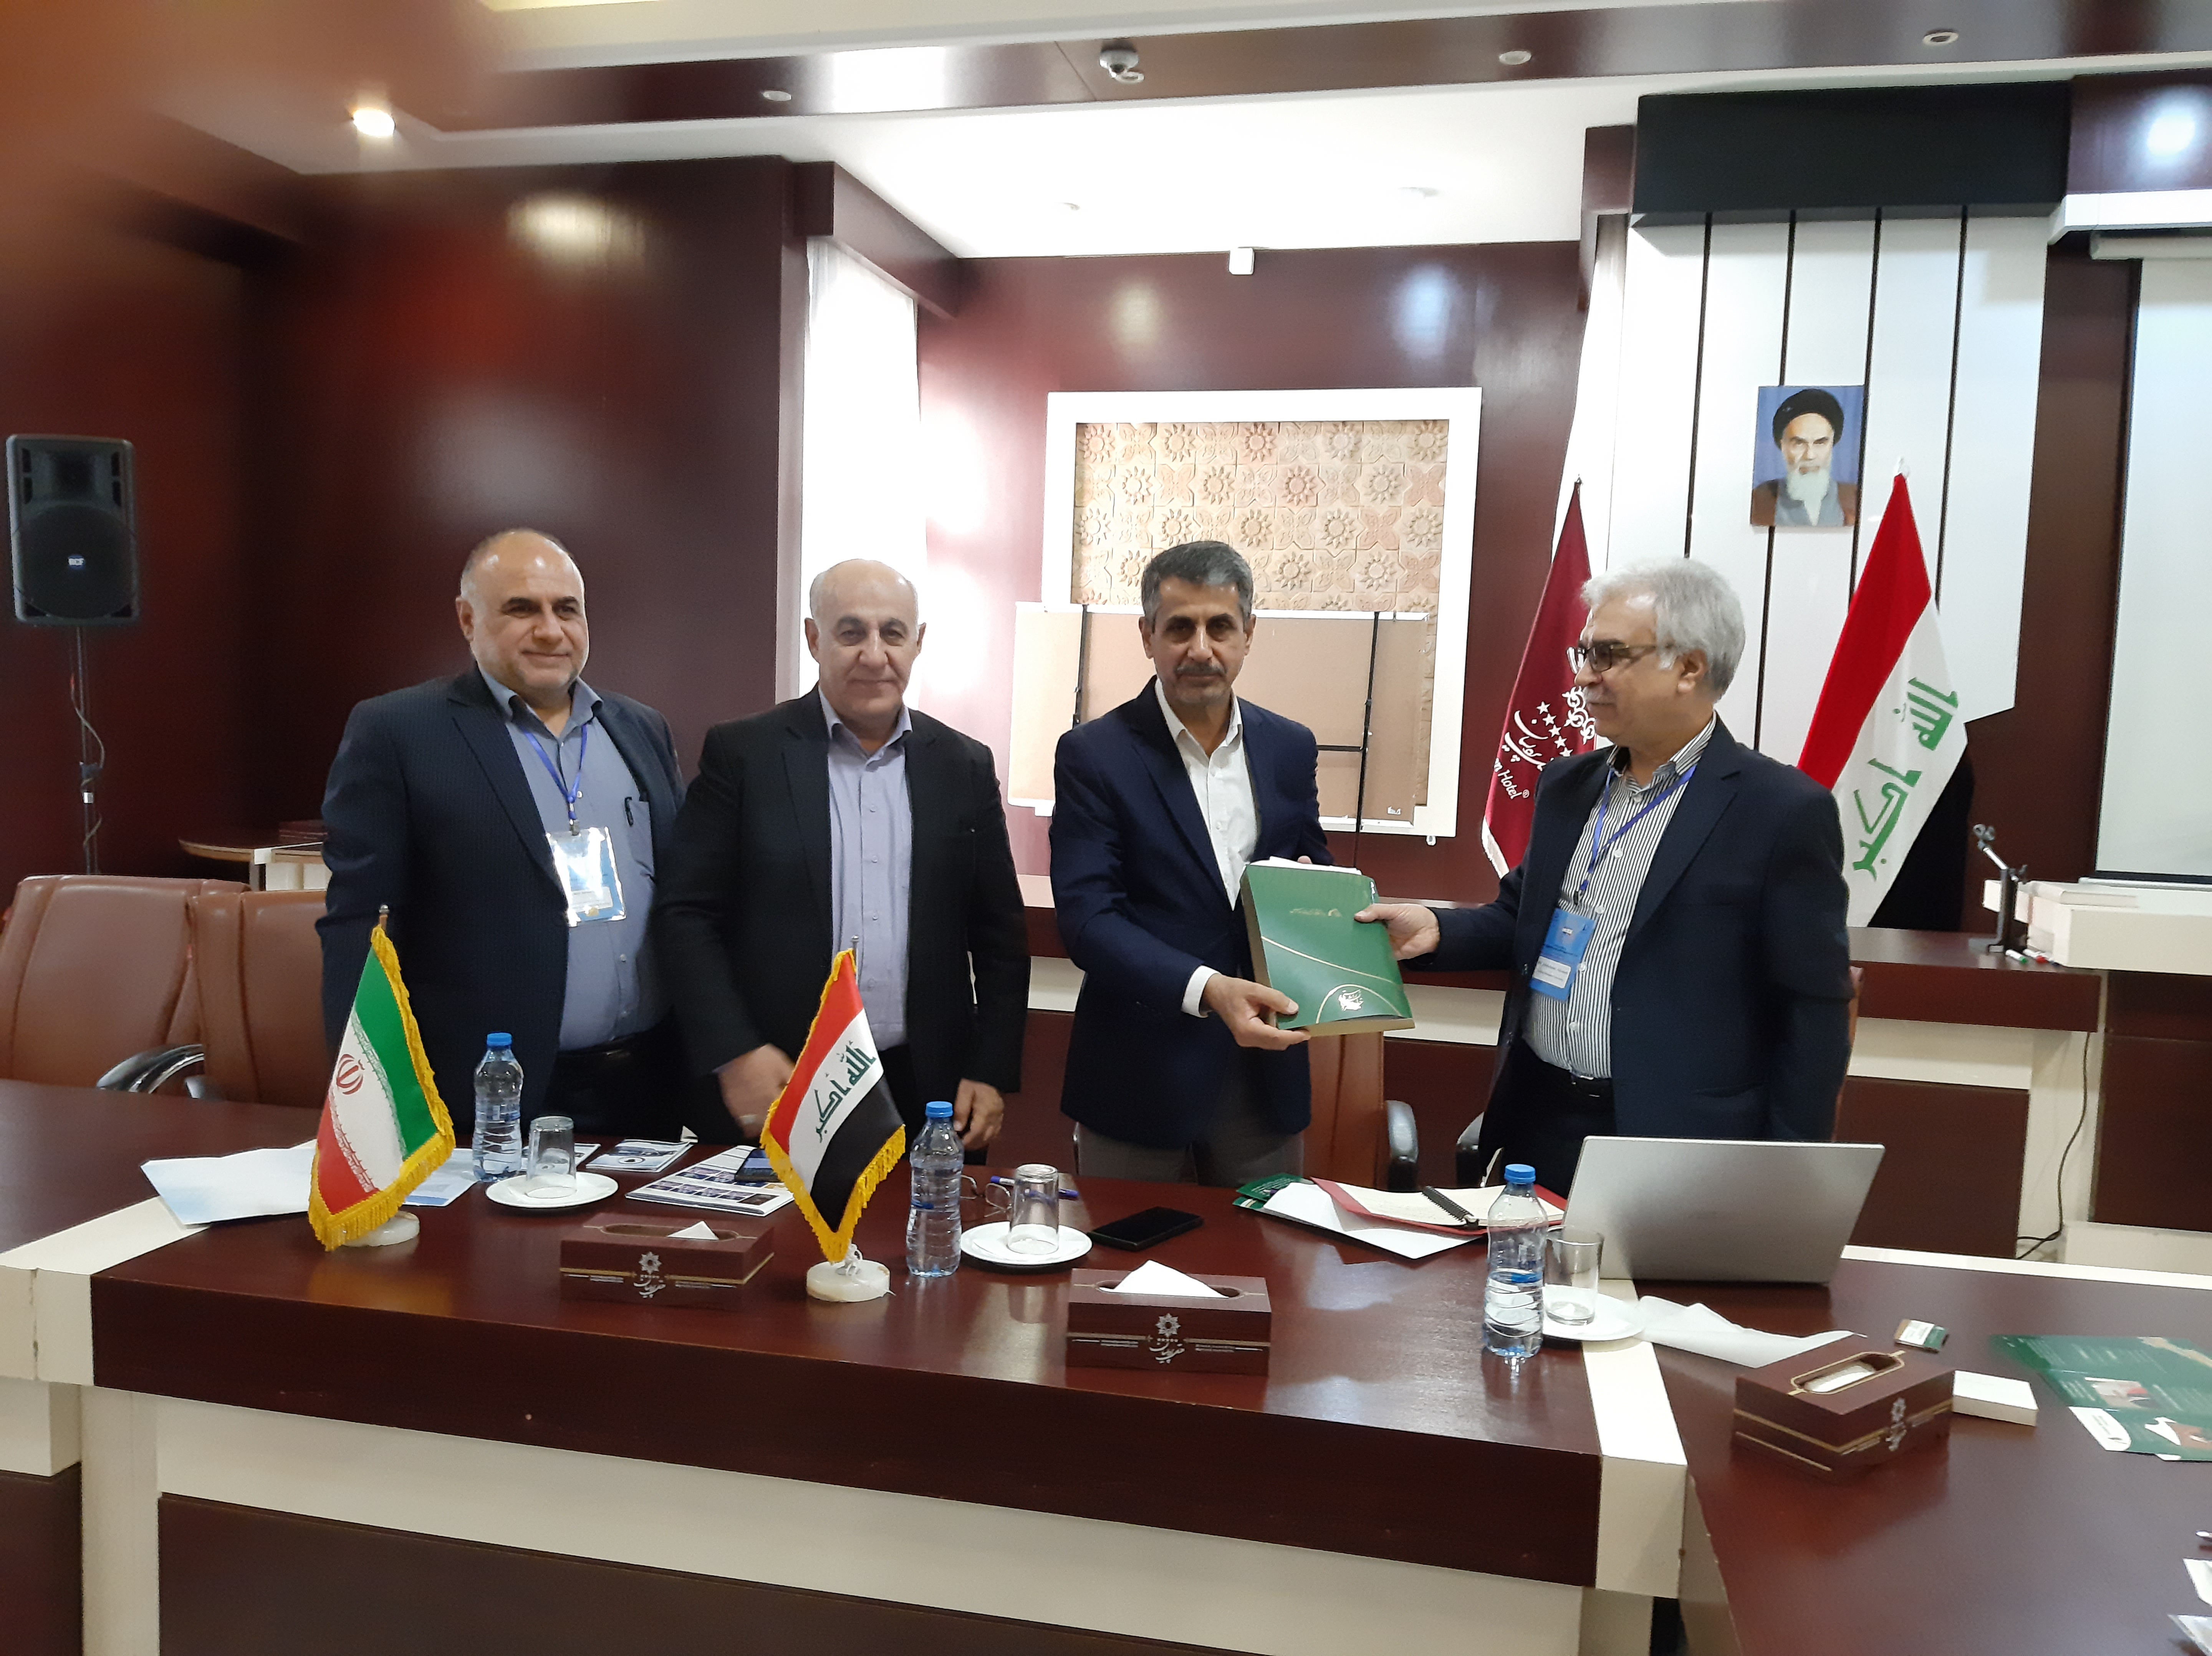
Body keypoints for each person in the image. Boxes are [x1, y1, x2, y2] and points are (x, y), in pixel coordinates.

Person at [1358, 558, 1852, 1193]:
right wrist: (1435, 928)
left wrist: (1788, 1176)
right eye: (1583, 653)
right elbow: (1523, 918)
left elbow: (1813, 1012)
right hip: (1539, 1120)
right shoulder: (1568, 785)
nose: (1584, 676)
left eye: (1609, 655)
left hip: (1679, 1141)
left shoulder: (1781, 811)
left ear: (1690, 668)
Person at [319, 529, 697, 1137]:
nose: (550, 631)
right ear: (468, 620)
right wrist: (365, 1100)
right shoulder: (399, 733)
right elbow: (360, 928)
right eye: (522, 609)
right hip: (491, 1091)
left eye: (567, 609)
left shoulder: (640, 727)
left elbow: (682, 899)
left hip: (646, 1087)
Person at [652, 559, 1027, 1151]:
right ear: (814, 638)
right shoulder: (745, 755)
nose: (875, 655)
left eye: (893, 633)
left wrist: (990, 1068)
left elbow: (1001, 934)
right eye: (851, 633)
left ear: (918, 642)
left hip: (928, 1087)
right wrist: (734, 1051)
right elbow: (685, 915)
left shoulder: (963, 765)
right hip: (780, 1077)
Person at [1050, 540, 1331, 1186]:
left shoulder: (1291, 747)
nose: (1201, 649)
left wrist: (1334, 920)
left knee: (1267, 1248)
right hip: (1138, 1076)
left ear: (1248, 633)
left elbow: (1308, 871)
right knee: (1129, 1253)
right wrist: (1209, 989)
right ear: (1147, 635)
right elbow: (1089, 922)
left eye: (1220, 627)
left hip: (1266, 1080)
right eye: (1179, 628)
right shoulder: (1094, 755)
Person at [1750, 386, 1859, 528]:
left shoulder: (1854, 498)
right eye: (1799, 443)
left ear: (1832, 444)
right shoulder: (1761, 500)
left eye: (1820, 443)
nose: (1810, 456)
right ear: (1783, 446)